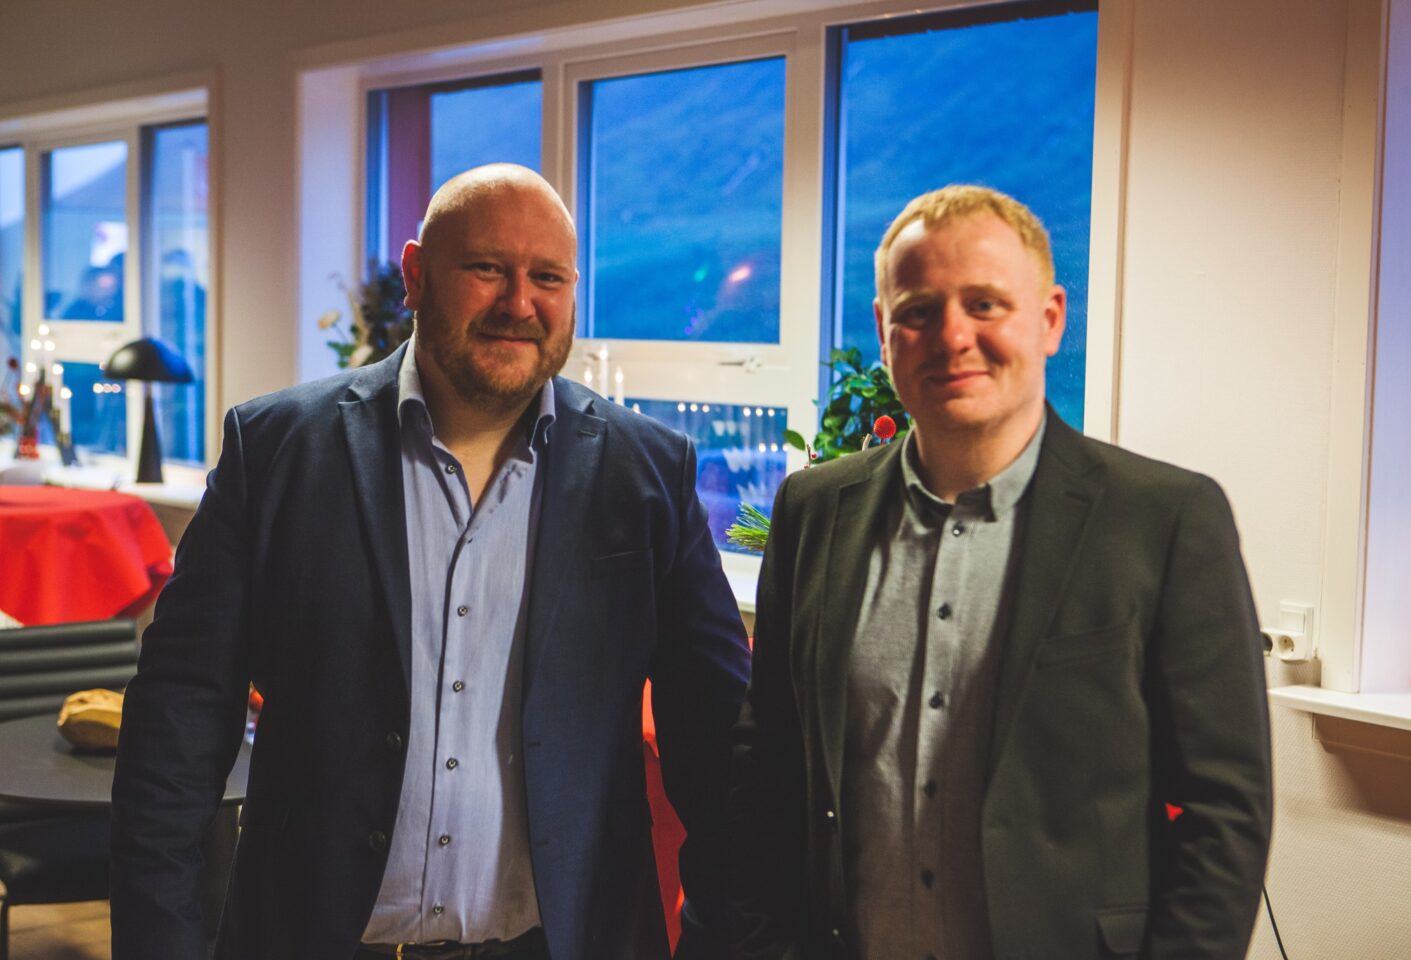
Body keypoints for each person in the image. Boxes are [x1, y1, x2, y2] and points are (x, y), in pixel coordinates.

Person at [112, 164, 751, 960]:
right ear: (416, 276)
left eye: (547, 278)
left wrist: (722, 941)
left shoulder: (648, 473)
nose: (519, 303)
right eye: (486, 267)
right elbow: (175, 731)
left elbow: (721, 754)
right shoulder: (275, 452)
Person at [729, 185, 1272, 959]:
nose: (953, 336)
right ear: (884, 332)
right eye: (919, 311)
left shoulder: (1166, 521)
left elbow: (1226, 813)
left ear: (1050, 319)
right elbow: (766, 767)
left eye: (985, 305)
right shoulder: (813, 511)